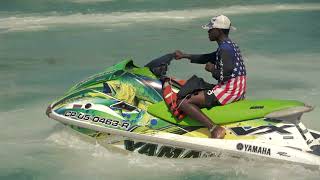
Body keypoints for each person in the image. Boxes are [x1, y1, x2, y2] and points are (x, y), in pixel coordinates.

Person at [173, 15, 247, 139]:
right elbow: (207, 57)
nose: (208, 31)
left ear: (218, 31)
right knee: (195, 87)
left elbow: (223, 76)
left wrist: (212, 69)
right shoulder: (229, 45)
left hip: (228, 90)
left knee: (183, 101)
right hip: (236, 88)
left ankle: (214, 128)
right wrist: (184, 56)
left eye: (210, 29)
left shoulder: (225, 50)